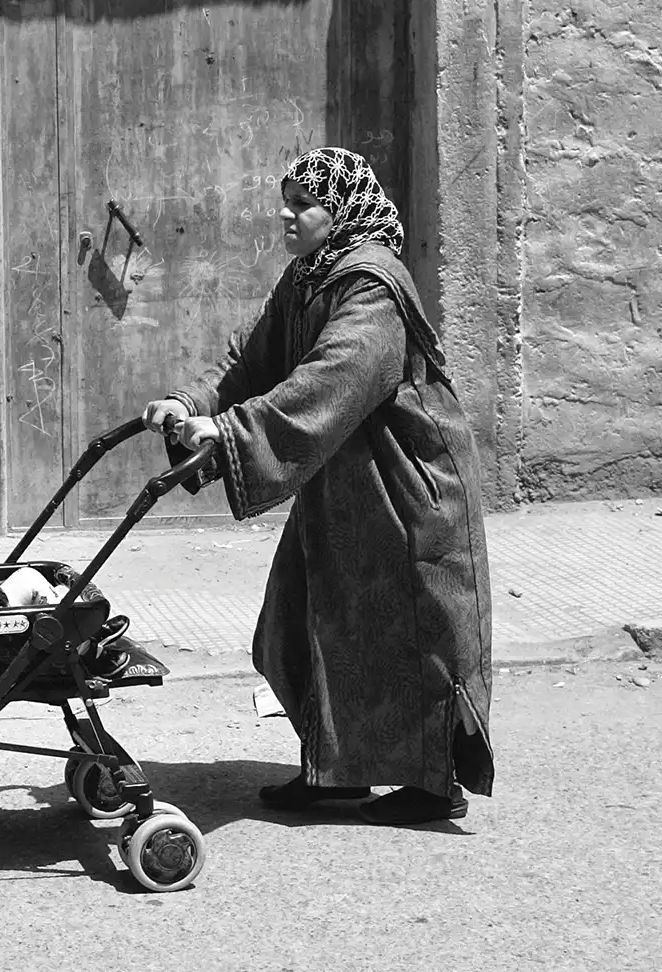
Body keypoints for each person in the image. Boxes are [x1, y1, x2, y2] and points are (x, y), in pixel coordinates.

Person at [143, 148, 494, 826]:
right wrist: (189, 402)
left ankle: (431, 783)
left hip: (406, 490)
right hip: (344, 488)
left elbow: (330, 381)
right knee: (302, 623)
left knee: (410, 640)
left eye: (302, 203)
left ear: (341, 214)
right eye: (286, 198)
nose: (286, 212)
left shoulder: (372, 287)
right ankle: (337, 773)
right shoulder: (309, 277)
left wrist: (231, 430)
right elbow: (252, 361)